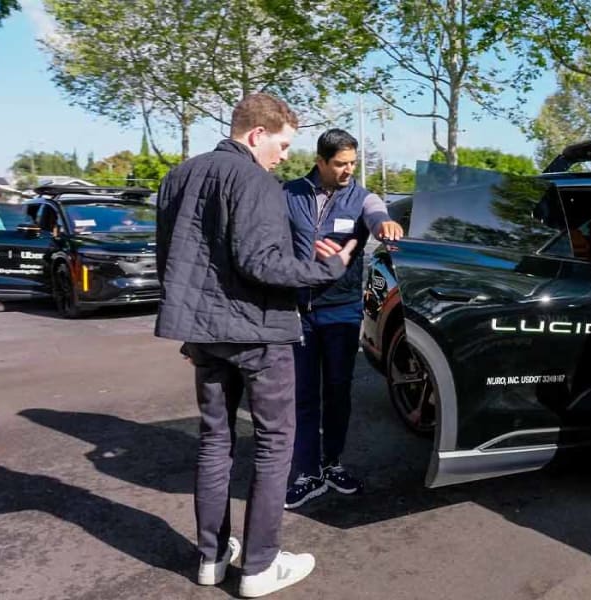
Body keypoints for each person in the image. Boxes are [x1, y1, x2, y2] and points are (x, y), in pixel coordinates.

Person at [154, 93, 360, 598]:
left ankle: (212, 557)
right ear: (256, 135)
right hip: (258, 333)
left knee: (214, 440)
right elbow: (261, 264)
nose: (284, 155)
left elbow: (173, 258)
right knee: (273, 445)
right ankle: (261, 566)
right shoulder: (255, 179)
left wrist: (192, 327)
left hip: (205, 333)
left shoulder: (178, 177)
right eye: (283, 144)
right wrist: (327, 268)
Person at [281, 129, 403, 509]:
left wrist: (386, 226)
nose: (348, 170)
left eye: (353, 163)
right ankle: (306, 472)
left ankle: (332, 462)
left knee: (337, 391)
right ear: (320, 162)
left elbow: (377, 214)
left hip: (342, 312)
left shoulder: (362, 196)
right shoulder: (288, 194)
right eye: (340, 164)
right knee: (303, 395)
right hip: (297, 312)